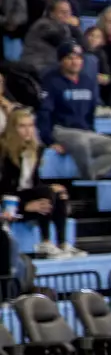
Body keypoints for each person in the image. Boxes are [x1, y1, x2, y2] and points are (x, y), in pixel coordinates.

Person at [39, 42, 111, 179]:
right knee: (80, 142)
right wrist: (49, 141)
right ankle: (88, 183)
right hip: (62, 130)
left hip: (85, 132)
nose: (75, 62)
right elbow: (44, 112)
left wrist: (91, 129)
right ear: (61, 61)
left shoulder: (87, 81)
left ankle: (86, 177)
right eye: (70, 58)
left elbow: (91, 110)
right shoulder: (51, 81)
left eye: (78, 58)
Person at [0, 108, 76, 256]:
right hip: (7, 201)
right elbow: (4, 189)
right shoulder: (3, 151)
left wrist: (51, 187)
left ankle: (63, 243)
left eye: (30, 125)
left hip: (24, 195)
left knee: (57, 193)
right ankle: (45, 242)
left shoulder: (36, 149)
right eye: (22, 126)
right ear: (12, 129)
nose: (28, 131)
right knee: (46, 193)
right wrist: (24, 206)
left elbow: (31, 184)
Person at [21, 0, 79, 74]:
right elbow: (59, 40)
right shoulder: (43, 25)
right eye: (63, 12)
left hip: (52, 65)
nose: (67, 15)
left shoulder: (64, 27)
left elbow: (83, 45)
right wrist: (73, 27)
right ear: (52, 13)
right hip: (37, 66)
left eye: (68, 12)